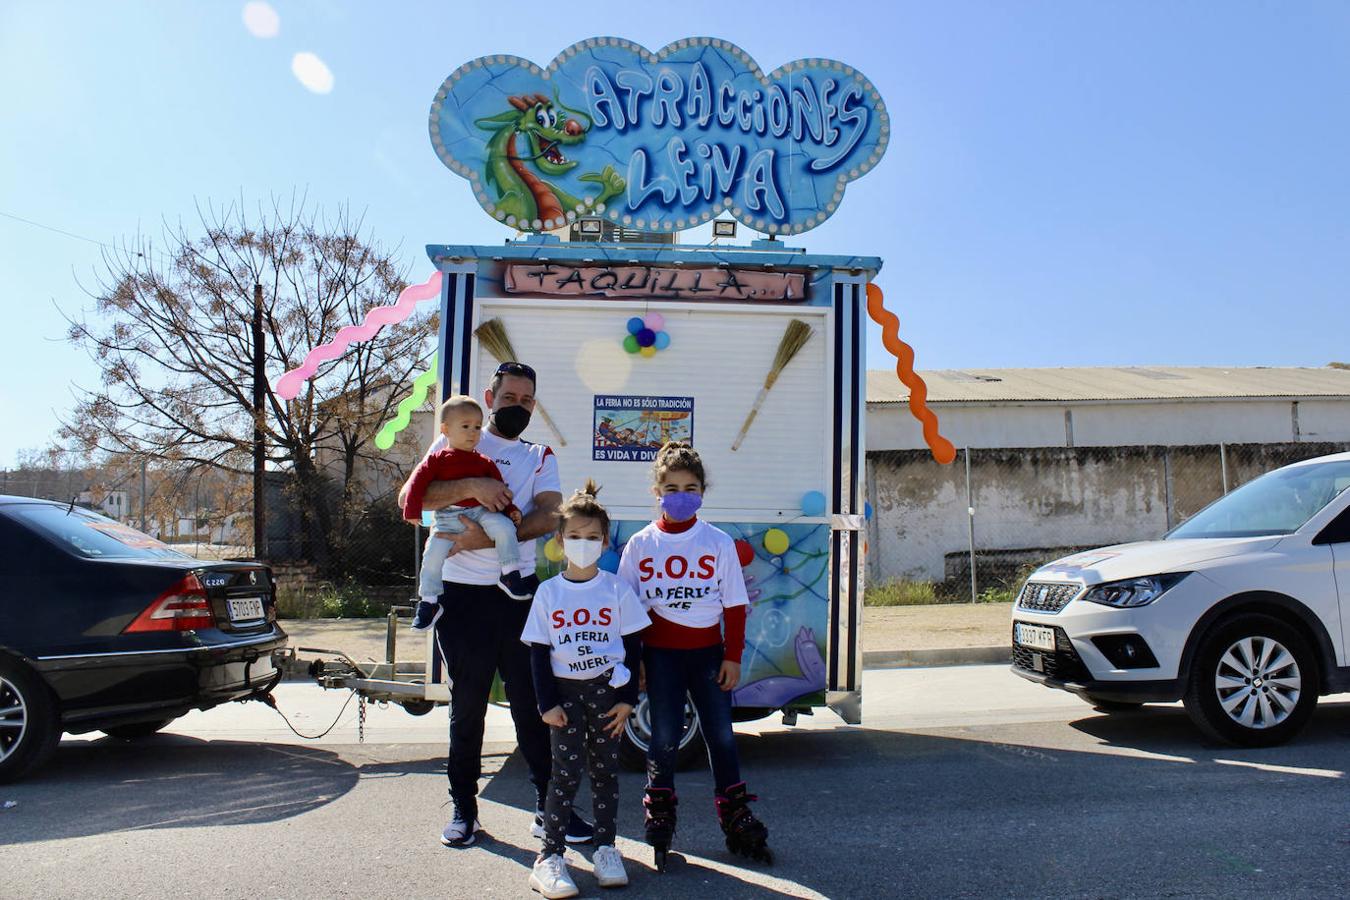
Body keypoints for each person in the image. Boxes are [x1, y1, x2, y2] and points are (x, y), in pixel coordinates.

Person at [396, 361, 592, 848]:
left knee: (534, 708)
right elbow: (411, 499)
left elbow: (549, 514)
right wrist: (471, 487)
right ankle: (464, 810)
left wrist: (482, 539)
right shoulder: (457, 439)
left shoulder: (540, 455)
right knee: (467, 710)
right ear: (490, 397)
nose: (518, 408)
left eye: (527, 401)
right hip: (460, 599)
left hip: (516, 596)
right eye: (510, 399)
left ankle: (553, 811)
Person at [617, 442, 772, 869]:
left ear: (703, 491)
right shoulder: (641, 544)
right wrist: (638, 663)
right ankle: (660, 812)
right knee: (663, 737)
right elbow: (628, 611)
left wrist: (733, 657)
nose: (680, 495)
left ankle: (735, 815)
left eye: (690, 487)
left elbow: (734, 606)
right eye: (671, 487)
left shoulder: (717, 542)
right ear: (657, 492)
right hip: (661, 657)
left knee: (721, 736)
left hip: (708, 655)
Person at [522, 481, 648, 898]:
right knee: (564, 776)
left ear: (605, 541)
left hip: (606, 697)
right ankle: (550, 857)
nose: (583, 543)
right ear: (560, 540)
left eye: (592, 537)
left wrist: (628, 700)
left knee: (605, 775)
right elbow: (539, 654)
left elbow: (633, 647)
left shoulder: (616, 588)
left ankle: (606, 849)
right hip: (565, 696)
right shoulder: (548, 592)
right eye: (574, 536)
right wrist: (547, 704)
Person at [401, 395, 534, 627]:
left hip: (481, 513)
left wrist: (511, 509)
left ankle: (510, 574)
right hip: (445, 519)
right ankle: (429, 603)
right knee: (431, 556)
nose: (473, 432)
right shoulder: (436, 459)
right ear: (445, 429)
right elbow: (416, 486)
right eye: (465, 427)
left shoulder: (484, 462)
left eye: (476, 427)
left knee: (504, 527)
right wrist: (412, 511)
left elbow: (501, 491)